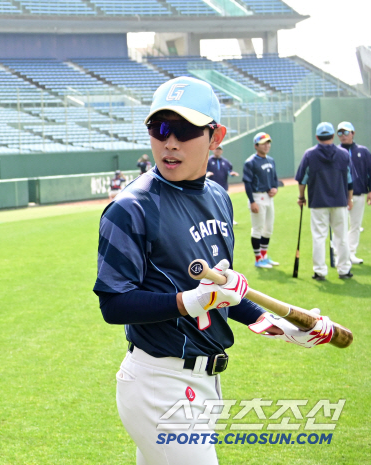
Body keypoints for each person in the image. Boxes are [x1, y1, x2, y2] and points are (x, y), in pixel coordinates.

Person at [94, 76, 333, 465]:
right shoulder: (131, 207)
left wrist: (277, 325)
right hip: (160, 382)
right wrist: (189, 301)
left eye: (186, 130)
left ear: (215, 136)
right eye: (161, 127)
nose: (170, 142)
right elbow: (114, 304)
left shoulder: (219, 198)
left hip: (205, 380)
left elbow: (226, 295)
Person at [296, 122, 354, 281]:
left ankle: (320, 271)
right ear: (333, 136)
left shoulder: (309, 154)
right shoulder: (344, 154)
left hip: (318, 202)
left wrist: (301, 197)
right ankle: (344, 270)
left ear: (317, 137)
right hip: (340, 201)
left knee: (319, 237)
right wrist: (350, 199)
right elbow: (350, 180)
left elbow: (302, 180)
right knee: (341, 237)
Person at [243, 132, 279, 268]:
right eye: (263, 143)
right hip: (257, 197)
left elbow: (275, 179)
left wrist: (275, 188)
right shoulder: (250, 162)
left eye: (268, 142)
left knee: (268, 228)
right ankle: (258, 259)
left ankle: (264, 256)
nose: (267, 145)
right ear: (256, 145)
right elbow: (247, 183)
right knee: (258, 228)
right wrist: (252, 201)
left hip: (269, 198)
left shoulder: (271, 160)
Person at [337, 121, 371, 264]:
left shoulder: (363, 151)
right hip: (341, 196)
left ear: (353, 133)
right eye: (340, 133)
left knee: (355, 225)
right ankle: (338, 254)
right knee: (340, 225)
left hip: (358, 194)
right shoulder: (336, 151)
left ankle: (351, 253)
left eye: (346, 132)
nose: (343, 136)